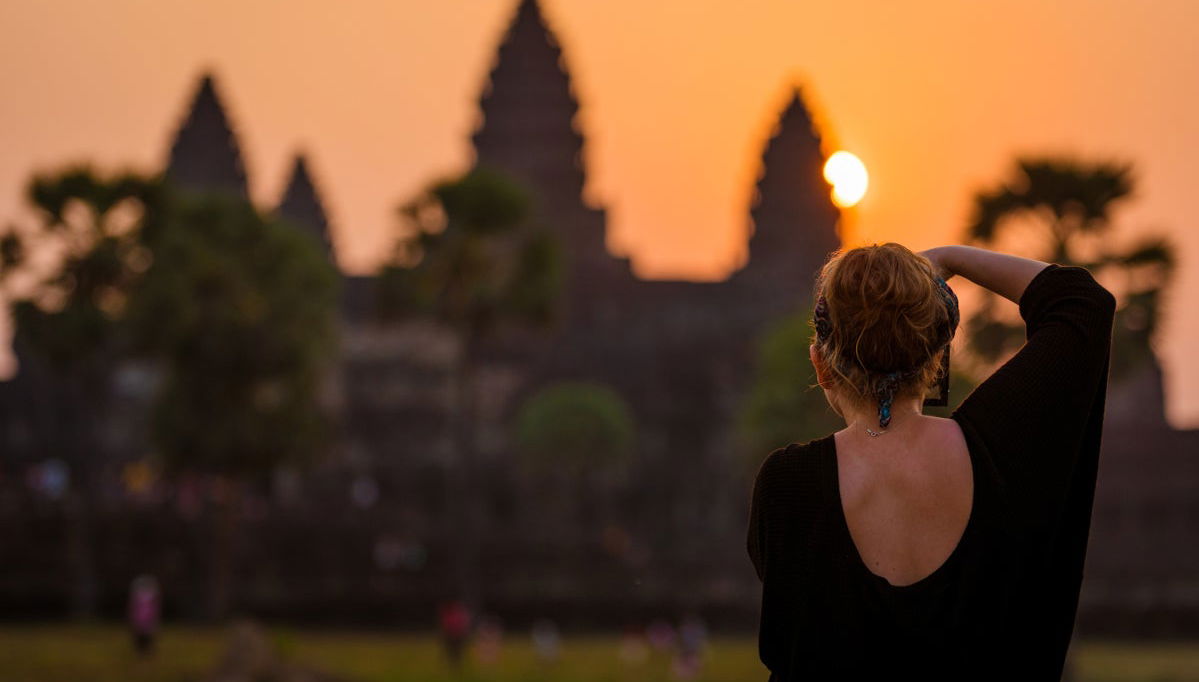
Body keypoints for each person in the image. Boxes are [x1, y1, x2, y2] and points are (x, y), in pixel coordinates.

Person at [746, 243, 1116, 680]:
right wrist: (950, 257)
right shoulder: (996, 452)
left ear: (821, 367)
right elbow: (1083, 302)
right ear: (938, 360)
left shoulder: (788, 486)